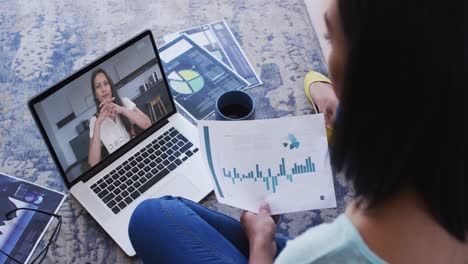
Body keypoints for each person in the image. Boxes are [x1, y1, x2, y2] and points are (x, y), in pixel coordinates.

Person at [128, 0, 467, 263]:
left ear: (369, 73)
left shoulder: (319, 254)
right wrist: (333, 98)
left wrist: (262, 246)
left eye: (331, 39)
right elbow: (314, 80)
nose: (328, 58)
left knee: (149, 218)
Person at [88, 69, 151, 166]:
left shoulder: (123, 102)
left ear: (111, 86)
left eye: (106, 84)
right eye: (98, 86)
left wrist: (122, 110)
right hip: (117, 166)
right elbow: (93, 162)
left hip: (138, 155)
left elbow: (147, 124)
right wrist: (98, 122)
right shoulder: (95, 121)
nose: (104, 89)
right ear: (95, 94)